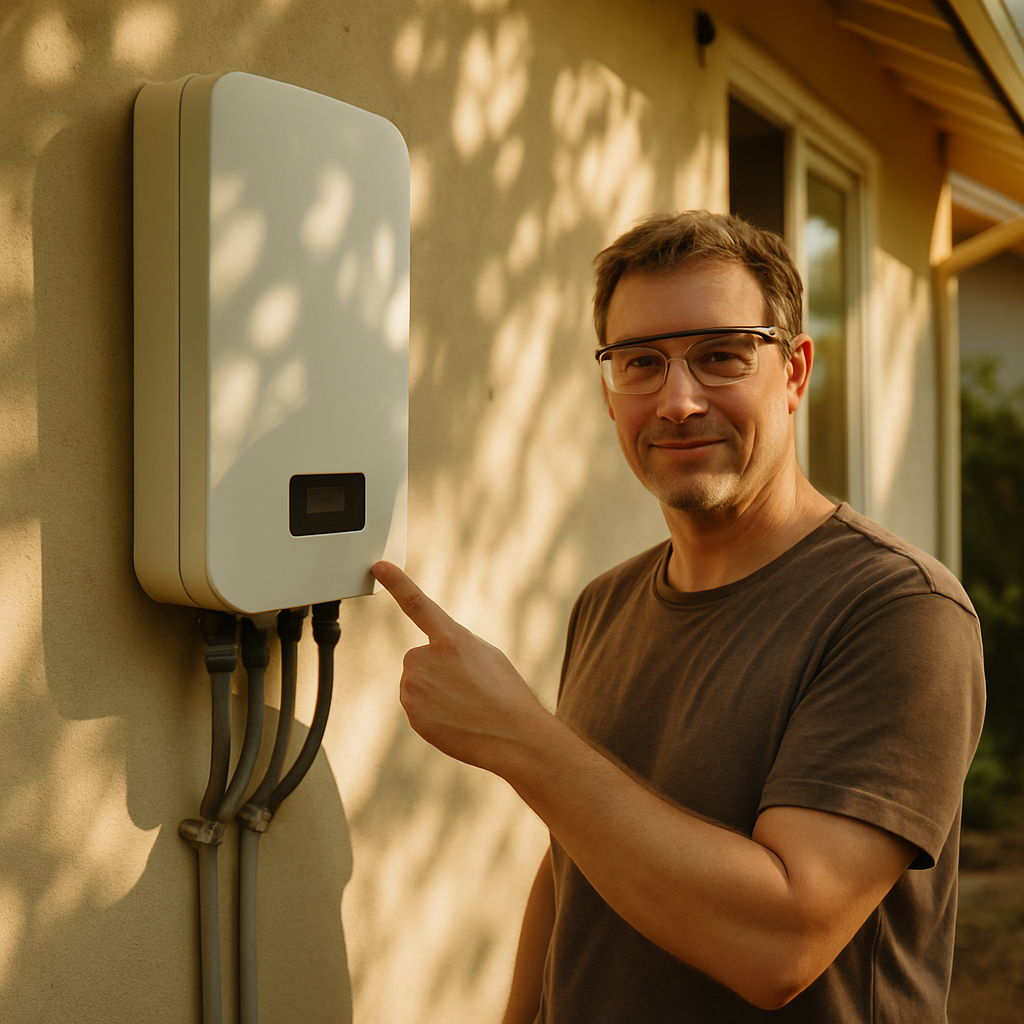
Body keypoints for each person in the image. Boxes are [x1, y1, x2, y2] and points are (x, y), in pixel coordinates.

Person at [371, 211, 985, 1022]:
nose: (679, 401)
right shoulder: (606, 604)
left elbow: (782, 945)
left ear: (795, 372)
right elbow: (575, 862)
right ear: (608, 389)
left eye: (721, 356)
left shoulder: (898, 610)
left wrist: (520, 737)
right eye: (642, 364)